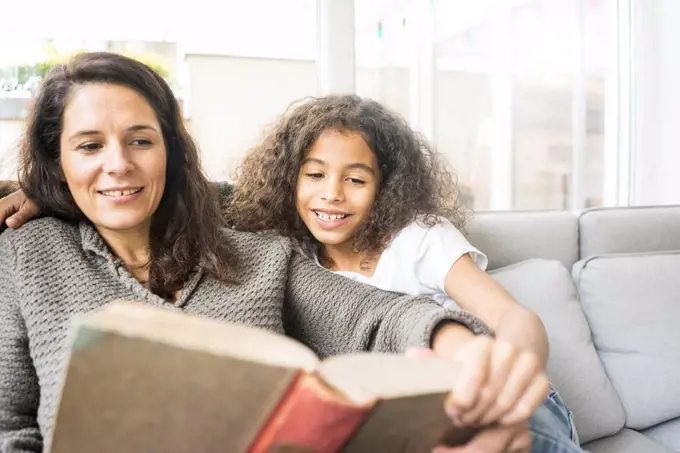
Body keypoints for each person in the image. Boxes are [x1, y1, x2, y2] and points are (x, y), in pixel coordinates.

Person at [0, 53, 498, 453]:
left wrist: (468, 350)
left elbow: (377, 316)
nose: (118, 165)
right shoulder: (25, 255)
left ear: (170, 150)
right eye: (89, 147)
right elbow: (7, 426)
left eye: (140, 141)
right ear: (56, 159)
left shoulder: (258, 253)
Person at [222, 94, 583, 452]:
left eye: (356, 180)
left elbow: (514, 316)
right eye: (315, 174)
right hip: (408, 419)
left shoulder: (419, 240)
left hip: (488, 395)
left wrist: (511, 378)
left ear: (385, 187)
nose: (332, 193)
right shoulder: (290, 256)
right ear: (289, 181)